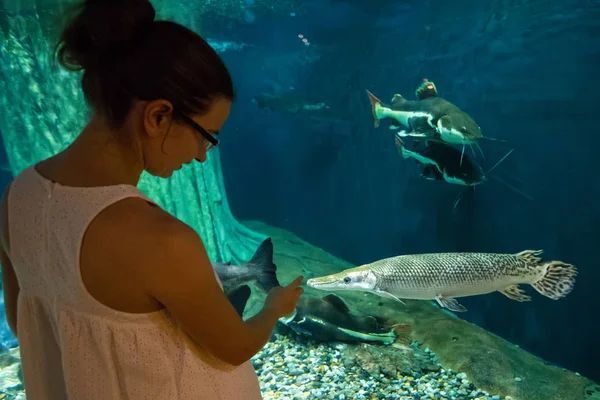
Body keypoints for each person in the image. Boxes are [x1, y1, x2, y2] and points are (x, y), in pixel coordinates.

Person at [0, 0, 304, 398]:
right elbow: (236, 347)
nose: (201, 154)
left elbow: (24, 321)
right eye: (207, 135)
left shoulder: (16, 196)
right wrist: (274, 307)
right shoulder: (160, 239)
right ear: (158, 116)